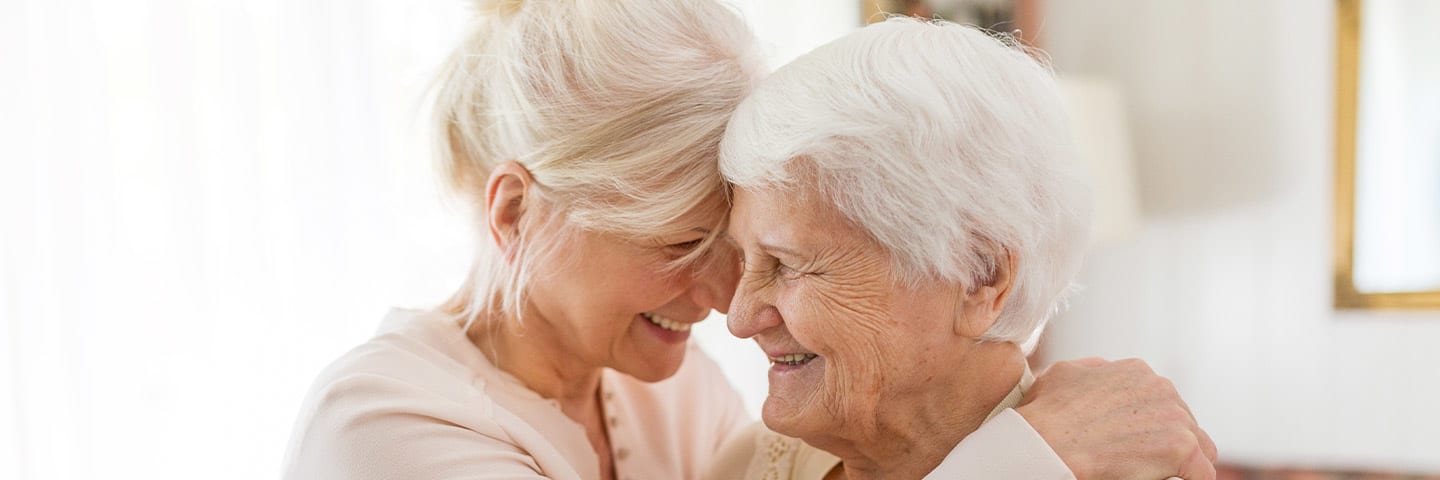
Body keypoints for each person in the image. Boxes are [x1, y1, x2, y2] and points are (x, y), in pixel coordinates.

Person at [281, 2, 1216, 479]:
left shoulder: (674, 392)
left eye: (770, 255)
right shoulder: (385, 428)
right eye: (682, 243)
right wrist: (1026, 459)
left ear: (978, 273)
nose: (726, 306)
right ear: (515, 213)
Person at [708, 17, 1214, 480]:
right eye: (745, 259)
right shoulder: (750, 465)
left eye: (788, 265)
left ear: (979, 275)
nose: (740, 316)